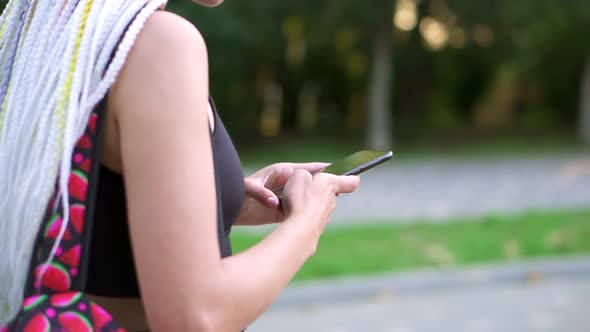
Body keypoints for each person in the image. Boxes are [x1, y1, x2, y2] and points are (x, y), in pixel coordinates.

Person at [0, 0, 360, 331]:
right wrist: (306, 223)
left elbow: (87, 214)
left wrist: (219, 201)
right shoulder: (159, 45)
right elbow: (196, 317)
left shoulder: (45, 35)